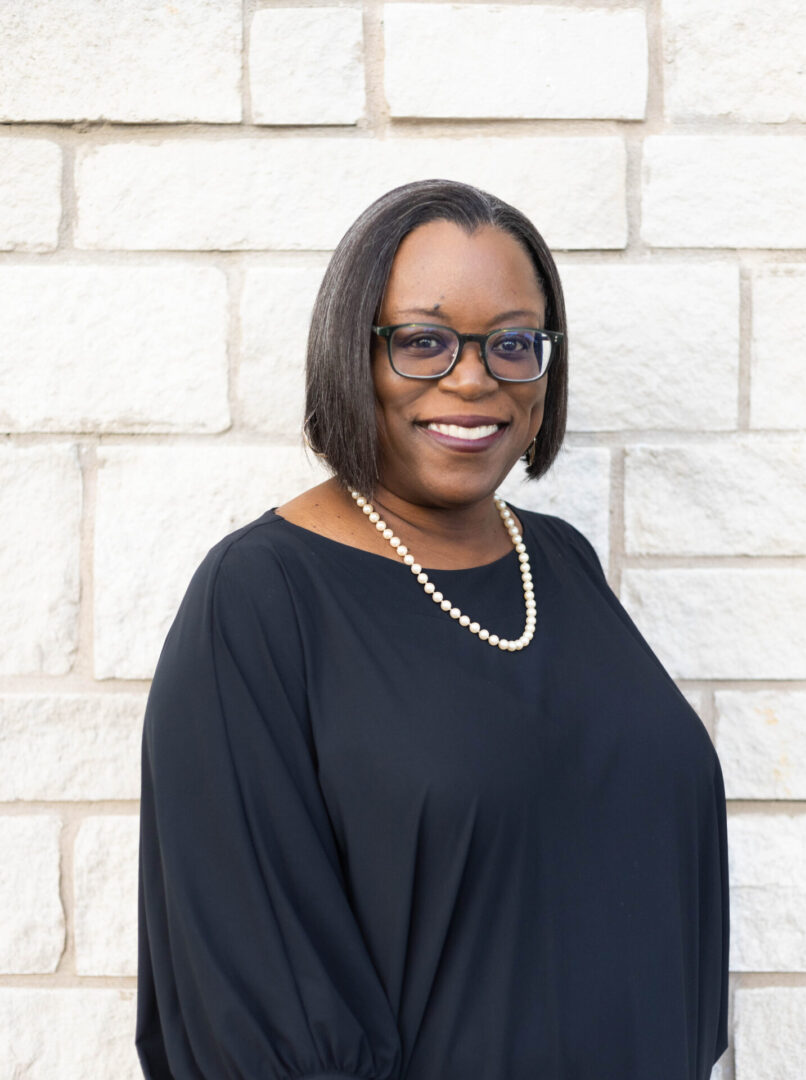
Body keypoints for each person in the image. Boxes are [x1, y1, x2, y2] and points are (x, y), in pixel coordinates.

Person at [136, 179, 729, 1080]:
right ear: (352, 352)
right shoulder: (261, 599)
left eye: (512, 343)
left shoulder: (559, 564)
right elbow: (251, 995)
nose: (473, 377)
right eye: (422, 341)